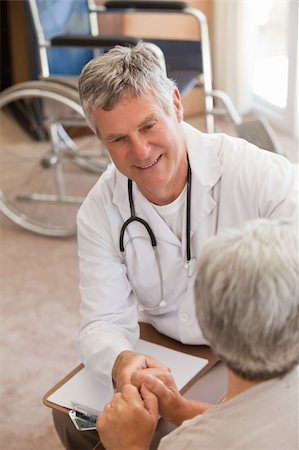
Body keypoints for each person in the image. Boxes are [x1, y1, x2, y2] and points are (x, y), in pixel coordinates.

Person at [53, 42, 298, 449]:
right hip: (165, 354)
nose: (141, 152)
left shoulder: (261, 176)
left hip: (254, 356)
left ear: (176, 105)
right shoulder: (100, 209)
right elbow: (101, 322)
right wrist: (122, 362)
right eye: (118, 139)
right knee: (74, 423)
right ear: (99, 139)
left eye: (149, 126)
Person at [97, 218, 299, 450]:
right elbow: (257, 418)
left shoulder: (188, 444)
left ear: (206, 324)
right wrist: (179, 409)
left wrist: (130, 445)